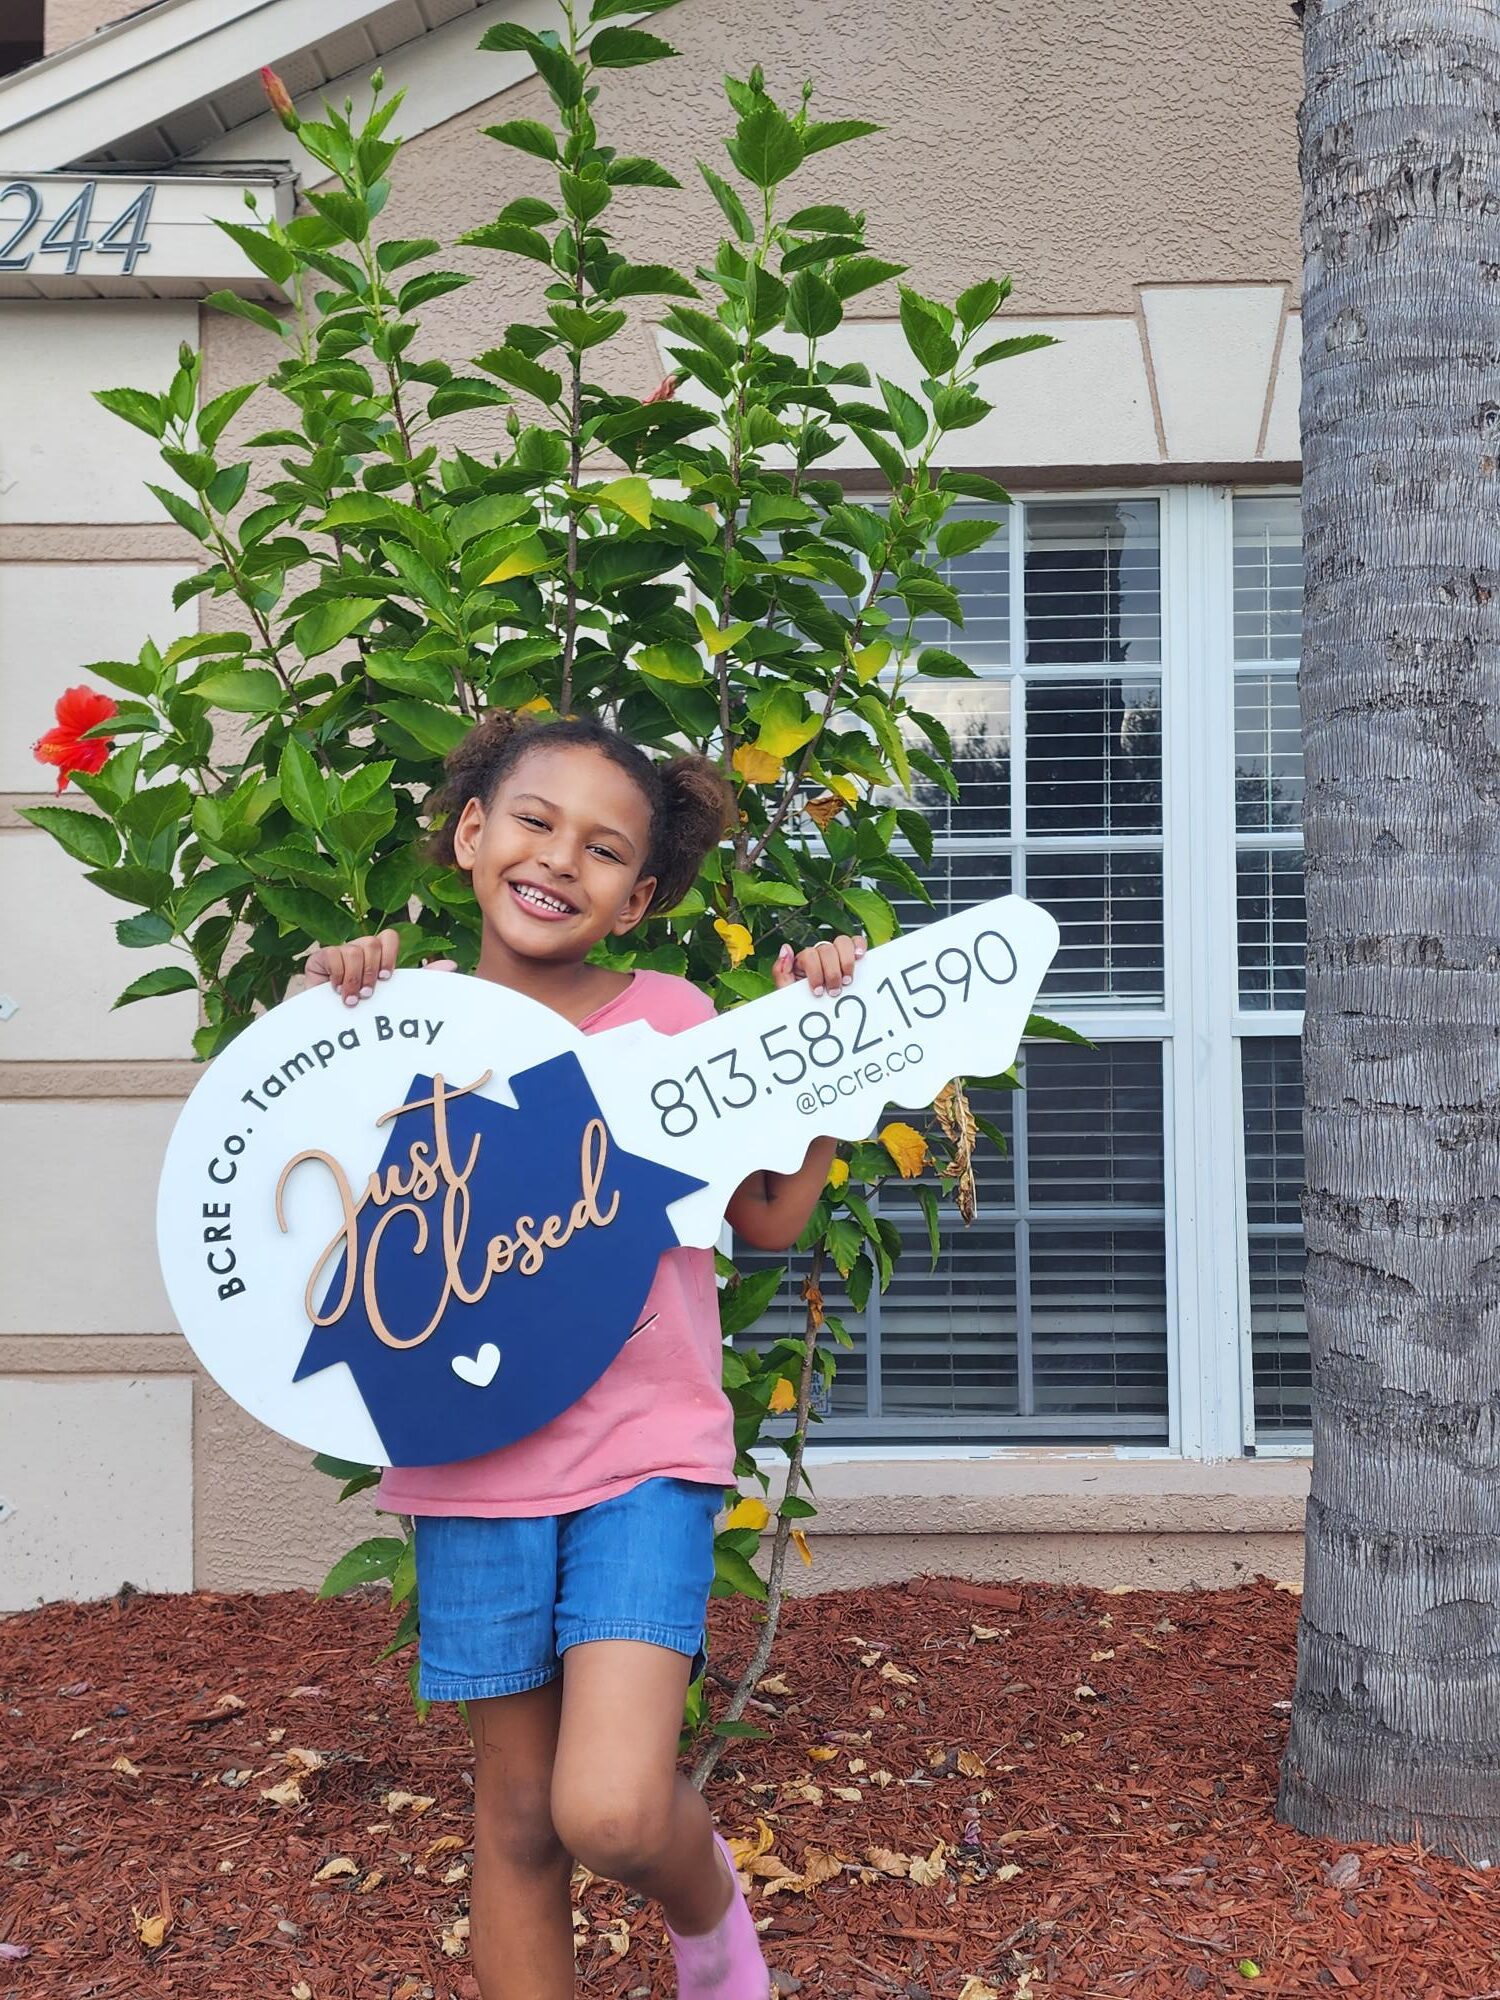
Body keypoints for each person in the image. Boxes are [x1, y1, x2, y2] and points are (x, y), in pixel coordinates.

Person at [306, 709, 864, 2000]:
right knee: (517, 1819)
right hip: (470, 1461)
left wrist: (817, 1053)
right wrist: (319, 1005)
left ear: (640, 897)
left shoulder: (670, 1020)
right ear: (470, 836)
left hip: (642, 1456)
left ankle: (713, 1924)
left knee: (609, 1809)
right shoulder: (396, 1026)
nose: (561, 858)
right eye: (535, 821)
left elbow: (770, 1218)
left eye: (606, 849)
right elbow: (304, 1183)